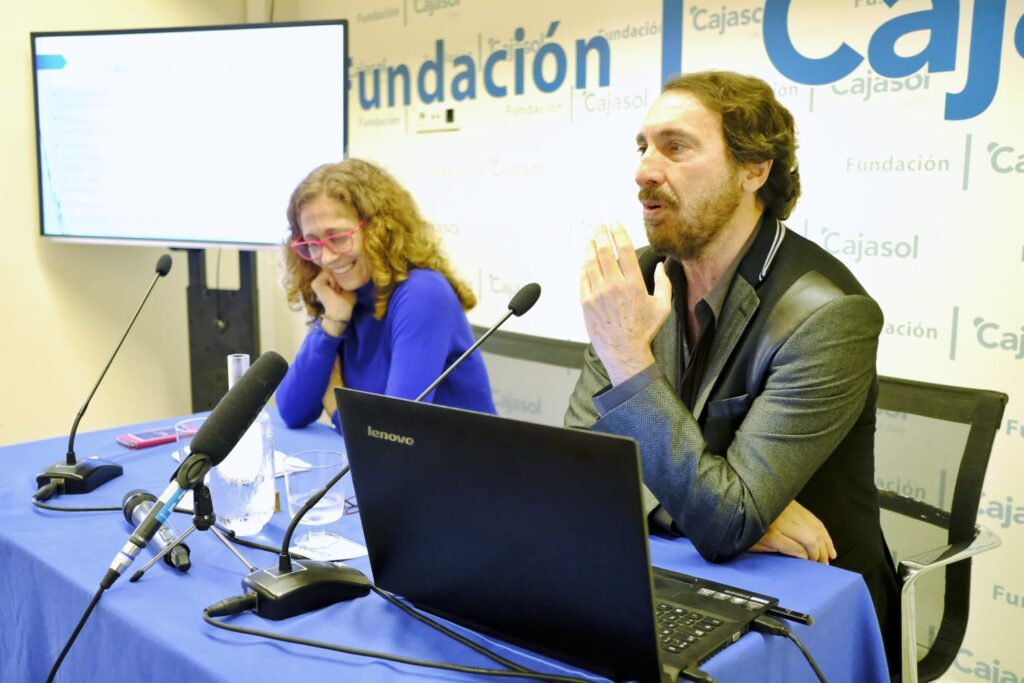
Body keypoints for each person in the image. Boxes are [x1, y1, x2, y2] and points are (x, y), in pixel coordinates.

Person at [565, 71, 901, 670]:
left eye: (675, 146)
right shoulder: (637, 276)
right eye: (642, 147)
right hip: (674, 571)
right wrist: (706, 510)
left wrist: (628, 357)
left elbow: (725, 524)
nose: (644, 170)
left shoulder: (828, 314)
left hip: (805, 613)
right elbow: (578, 466)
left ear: (755, 170)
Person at [276, 159, 495, 431]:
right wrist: (332, 324)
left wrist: (335, 404)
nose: (327, 258)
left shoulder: (422, 293)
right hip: (400, 457)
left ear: (379, 228)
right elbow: (292, 411)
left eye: (339, 238)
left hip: (459, 458)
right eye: (312, 243)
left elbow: (394, 432)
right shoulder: (345, 295)